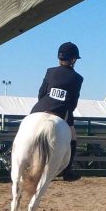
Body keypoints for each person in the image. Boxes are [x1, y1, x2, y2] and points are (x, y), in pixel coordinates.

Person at [30, 41, 83, 181]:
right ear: (73, 59)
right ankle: (67, 172)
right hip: (61, 111)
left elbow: (41, 93)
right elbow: (73, 103)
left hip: (39, 108)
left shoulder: (50, 71)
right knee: (73, 136)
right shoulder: (77, 78)